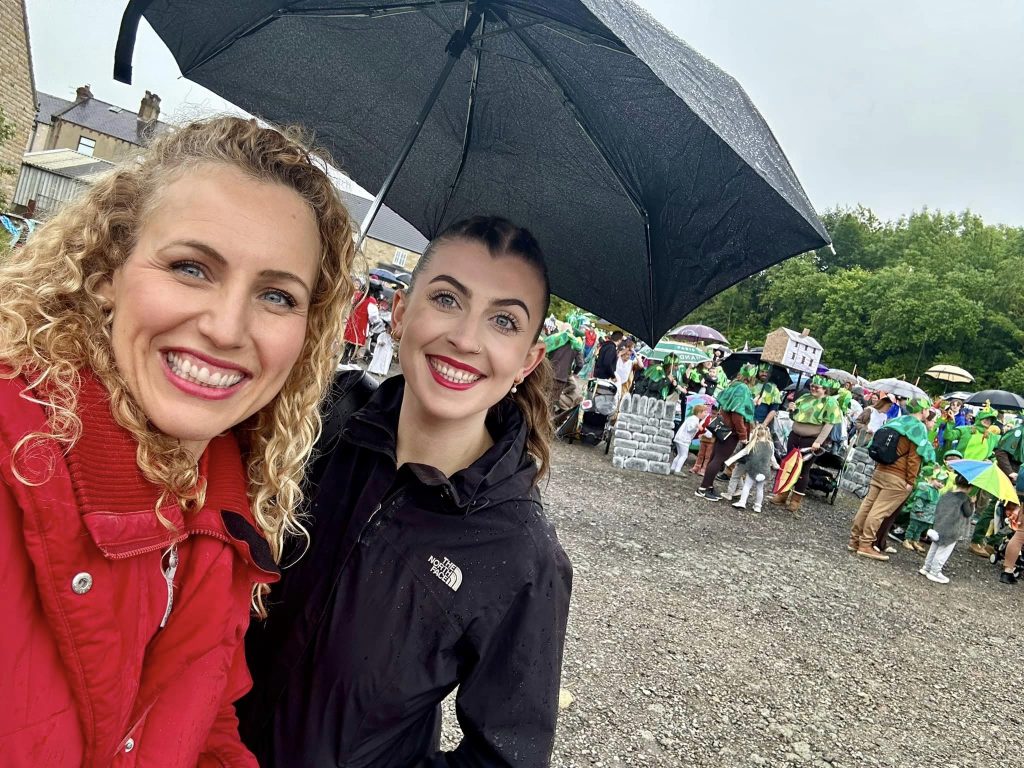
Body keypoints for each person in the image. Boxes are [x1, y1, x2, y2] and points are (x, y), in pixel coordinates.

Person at [0, 117, 355, 766]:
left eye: (277, 294)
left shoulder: (224, 501)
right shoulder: (13, 456)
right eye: (192, 268)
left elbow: (201, 716)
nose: (226, 327)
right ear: (107, 269)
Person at [239, 216, 573, 767]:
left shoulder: (522, 555)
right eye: (446, 299)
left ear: (527, 362)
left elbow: (503, 757)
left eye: (504, 322)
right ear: (399, 312)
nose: (465, 338)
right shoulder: (314, 421)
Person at [847, 397, 935, 561]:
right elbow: (914, 458)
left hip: (881, 469)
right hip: (898, 476)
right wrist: (911, 481)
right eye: (928, 409)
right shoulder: (918, 427)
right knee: (879, 511)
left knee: (867, 505)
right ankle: (866, 545)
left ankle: (854, 540)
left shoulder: (895, 421)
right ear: (923, 410)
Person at [771, 375, 844, 514]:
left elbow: (829, 424)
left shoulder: (830, 403)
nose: (813, 389)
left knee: (803, 469)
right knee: (788, 465)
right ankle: (783, 494)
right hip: (795, 435)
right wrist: (791, 410)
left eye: (817, 387)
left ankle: (795, 500)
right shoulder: (804, 398)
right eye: (812, 386)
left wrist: (819, 441)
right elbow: (794, 416)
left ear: (825, 389)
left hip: (811, 440)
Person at [696, 363, 755, 501]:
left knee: (715, 456)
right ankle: (703, 488)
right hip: (731, 431)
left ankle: (708, 486)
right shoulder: (743, 389)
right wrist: (743, 435)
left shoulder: (734, 384)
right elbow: (737, 414)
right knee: (719, 459)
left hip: (723, 427)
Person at [919, 474, 974, 584]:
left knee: (934, 547)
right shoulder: (964, 498)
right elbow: (968, 513)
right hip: (952, 530)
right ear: (969, 487)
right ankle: (935, 572)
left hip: (939, 525)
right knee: (943, 551)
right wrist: (972, 503)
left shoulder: (946, 494)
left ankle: (926, 567)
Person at [728, 423, 780, 513]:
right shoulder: (771, 444)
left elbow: (742, 453)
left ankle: (742, 502)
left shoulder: (753, 444)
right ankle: (757, 506)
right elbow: (772, 457)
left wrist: (730, 460)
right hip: (765, 471)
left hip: (753, 470)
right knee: (760, 488)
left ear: (755, 433)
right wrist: (776, 466)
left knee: (747, 486)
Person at [901, 465, 948, 554]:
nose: (940, 484)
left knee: (920, 529)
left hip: (928, 516)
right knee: (913, 527)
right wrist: (918, 510)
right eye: (938, 481)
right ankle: (907, 540)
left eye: (942, 483)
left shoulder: (937, 493)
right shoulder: (925, 488)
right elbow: (919, 500)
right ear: (933, 479)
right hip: (920, 513)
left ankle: (915, 541)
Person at [342, 280, 381, 363]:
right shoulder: (371, 300)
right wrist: (373, 322)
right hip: (361, 324)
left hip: (352, 321)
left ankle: (344, 358)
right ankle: (352, 359)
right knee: (356, 343)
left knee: (348, 341)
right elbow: (373, 317)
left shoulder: (356, 295)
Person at [671, 402, 707, 474]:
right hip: (684, 439)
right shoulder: (694, 419)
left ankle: (673, 468)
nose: (705, 414)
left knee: (679, 455)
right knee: (684, 455)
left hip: (680, 438)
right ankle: (677, 470)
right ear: (699, 413)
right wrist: (697, 426)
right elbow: (690, 429)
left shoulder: (692, 418)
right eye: (704, 412)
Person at [691, 405, 717, 475]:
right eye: (712, 413)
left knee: (707, 456)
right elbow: (701, 425)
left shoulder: (718, 421)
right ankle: (696, 467)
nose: (712, 415)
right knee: (700, 454)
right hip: (703, 440)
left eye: (714, 414)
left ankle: (704, 469)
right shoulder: (706, 418)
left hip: (711, 441)